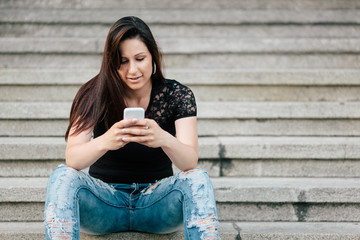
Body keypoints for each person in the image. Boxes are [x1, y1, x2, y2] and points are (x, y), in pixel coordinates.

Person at [44, 16, 220, 240]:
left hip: (157, 204)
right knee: (62, 176)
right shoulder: (93, 93)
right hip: (104, 203)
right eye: (123, 61)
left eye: (140, 58)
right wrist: (107, 141)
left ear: (153, 57)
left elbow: (189, 162)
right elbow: (73, 159)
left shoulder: (177, 95)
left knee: (198, 178)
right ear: (111, 62)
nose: (133, 70)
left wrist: (164, 139)